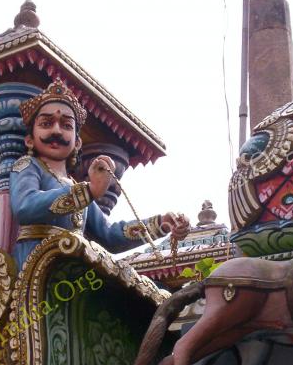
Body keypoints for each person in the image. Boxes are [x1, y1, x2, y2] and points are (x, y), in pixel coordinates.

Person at [10, 79, 191, 269]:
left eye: (66, 125)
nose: (56, 130)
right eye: (46, 123)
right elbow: (25, 207)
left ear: (77, 143)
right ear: (29, 140)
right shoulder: (27, 166)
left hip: (72, 267)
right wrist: (88, 191)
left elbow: (109, 235)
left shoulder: (73, 185)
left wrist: (160, 224)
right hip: (35, 266)